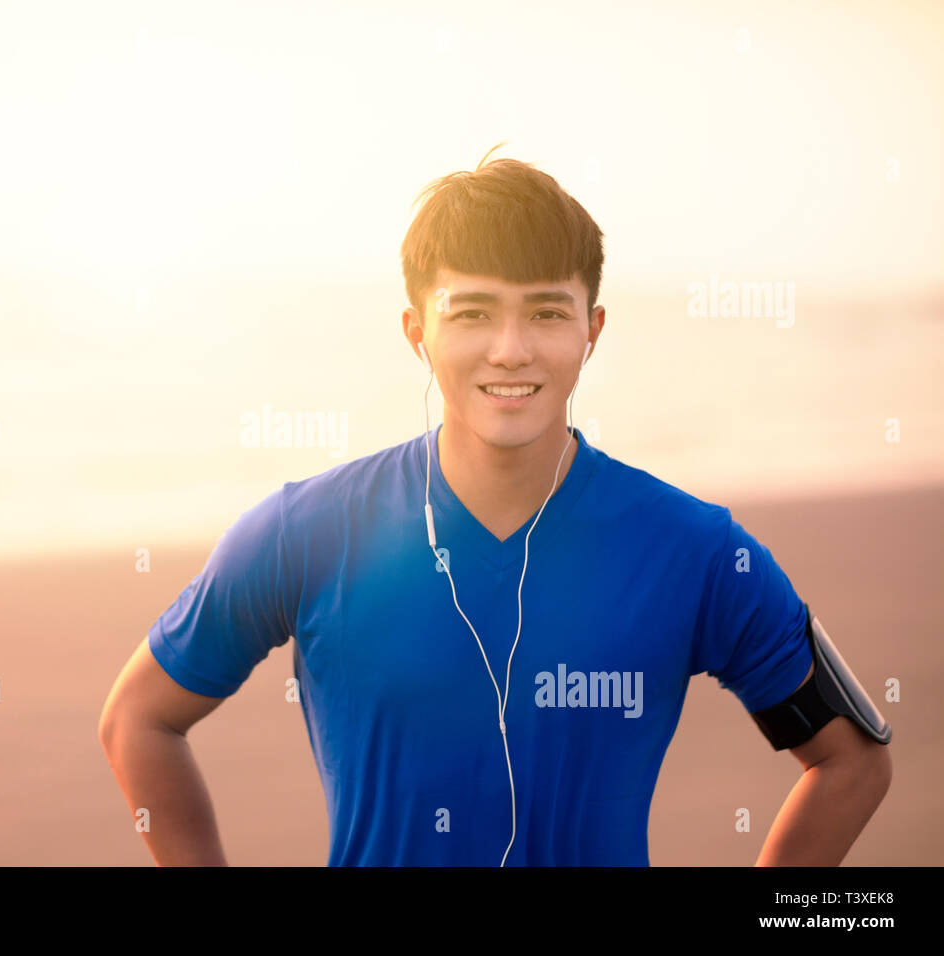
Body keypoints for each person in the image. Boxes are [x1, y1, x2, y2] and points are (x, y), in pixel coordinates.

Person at [98, 146, 892, 866]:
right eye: (472, 312)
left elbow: (852, 761)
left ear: (592, 330)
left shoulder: (698, 551)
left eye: (547, 311)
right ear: (417, 331)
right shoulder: (307, 533)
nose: (510, 348)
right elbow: (139, 718)